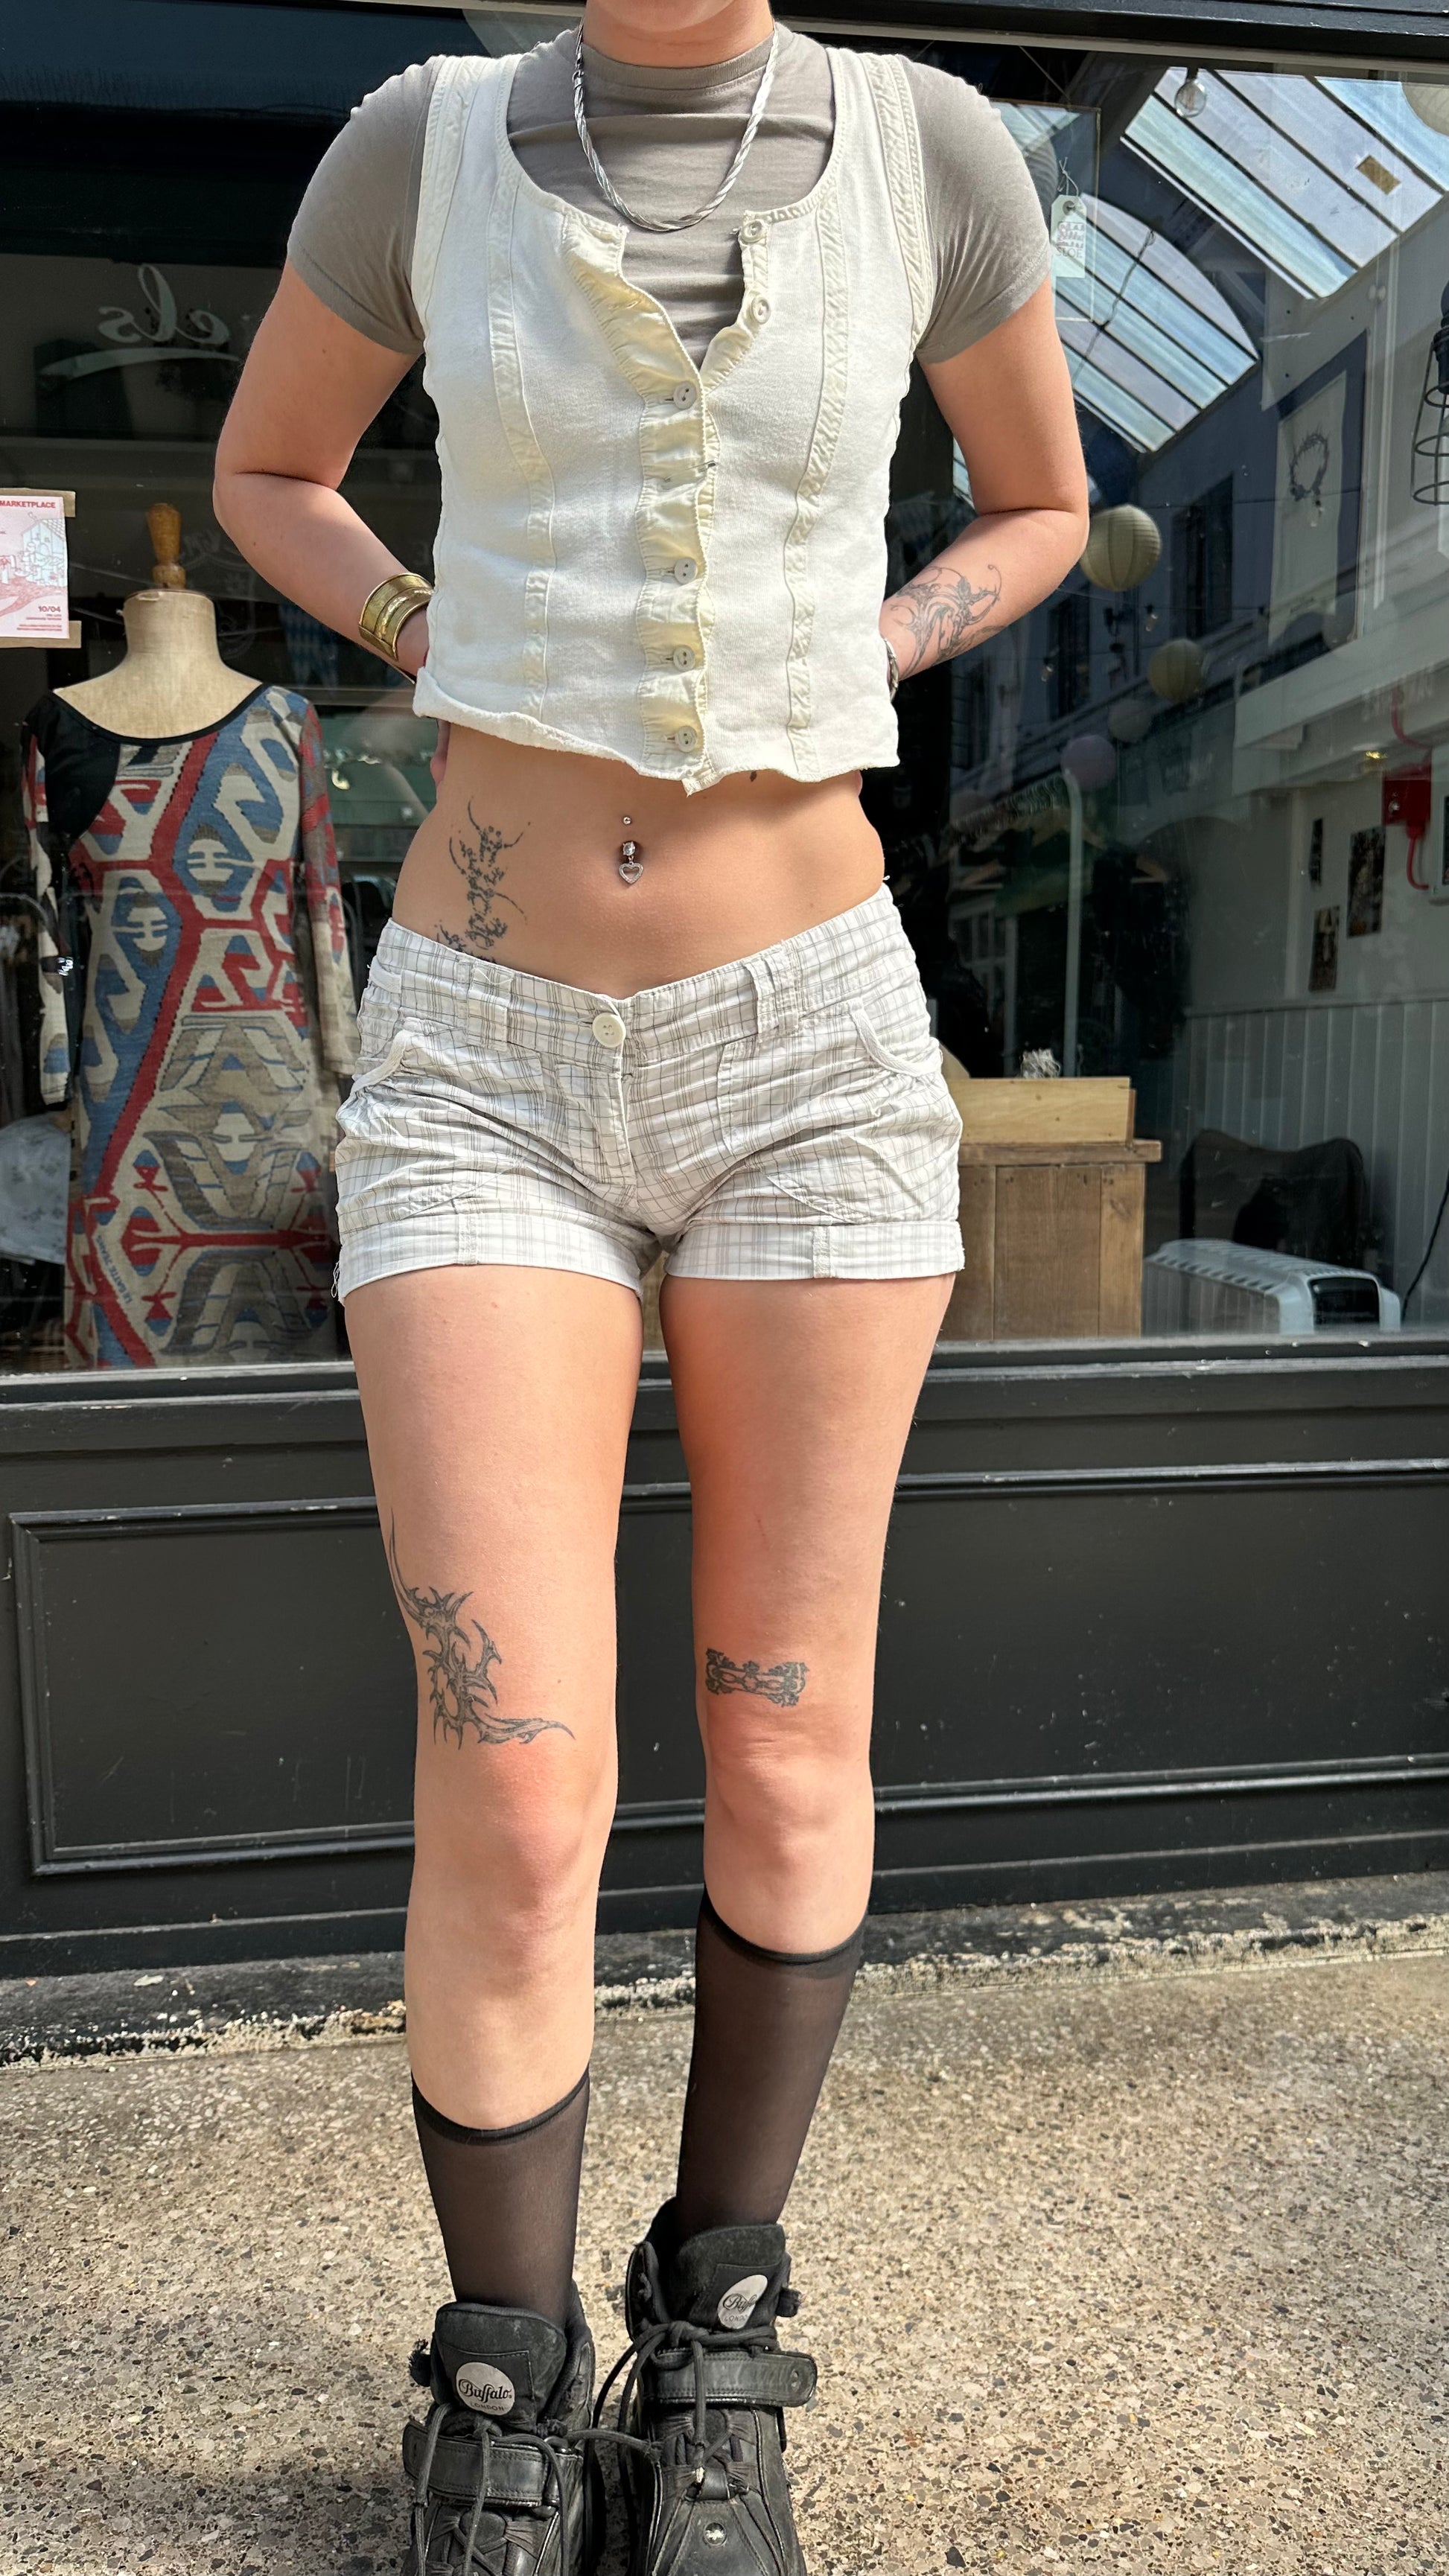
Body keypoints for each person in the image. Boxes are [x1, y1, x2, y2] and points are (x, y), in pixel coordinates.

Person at [214, 2, 1086, 2568]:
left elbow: (1044, 503)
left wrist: (879, 642)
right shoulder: (425, 144)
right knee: (510, 1769)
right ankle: (502, 2375)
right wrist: (432, 621)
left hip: (812, 1043)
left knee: (787, 1739)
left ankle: (716, 2334)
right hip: (483, 1041)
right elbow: (270, 469)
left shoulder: (931, 148)